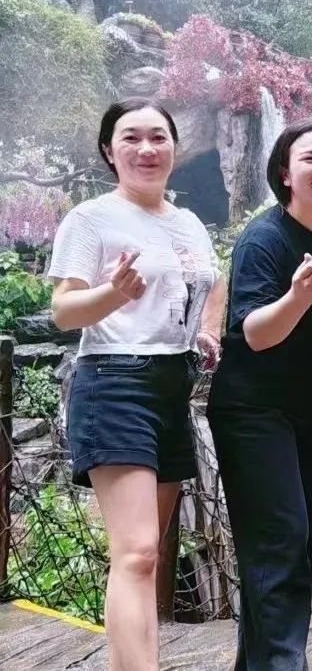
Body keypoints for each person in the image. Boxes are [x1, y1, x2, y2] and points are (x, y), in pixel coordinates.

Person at [49, 98, 225, 671]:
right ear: (109, 151)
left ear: (175, 146)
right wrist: (113, 294)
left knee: (147, 559)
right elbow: (64, 312)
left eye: (157, 137)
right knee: (137, 551)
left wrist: (206, 330)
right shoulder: (91, 219)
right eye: (131, 138)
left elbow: (211, 282)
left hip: (172, 384)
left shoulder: (187, 223)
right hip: (114, 380)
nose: (146, 149)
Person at [208, 118, 312, 671]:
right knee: (281, 542)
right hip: (252, 409)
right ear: (285, 173)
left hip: (307, 410)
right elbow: (253, 333)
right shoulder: (264, 238)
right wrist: (296, 299)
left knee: (296, 547)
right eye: (310, 158)